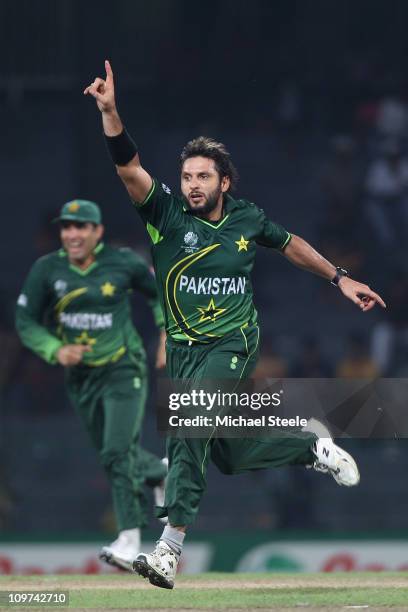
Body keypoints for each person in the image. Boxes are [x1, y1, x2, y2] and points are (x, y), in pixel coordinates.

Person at [84, 60, 386, 589]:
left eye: (203, 176)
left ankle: (167, 551)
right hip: (183, 349)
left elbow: (290, 245)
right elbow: (128, 168)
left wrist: (338, 277)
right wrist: (111, 113)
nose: (193, 184)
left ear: (224, 181)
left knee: (188, 428)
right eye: (186, 176)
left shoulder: (247, 218)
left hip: (232, 341)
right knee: (226, 452)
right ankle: (309, 447)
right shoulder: (166, 216)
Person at [15, 199, 167, 572]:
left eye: (81, 227)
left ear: (97, 232)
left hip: (123, 368)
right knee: (112, 453)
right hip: (81, 377)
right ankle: (160, 474)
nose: (72, 234)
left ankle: (130, 539)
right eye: (67, 227)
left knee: (116, 452)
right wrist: (54, 348)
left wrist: (165, 332)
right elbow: (25, 320)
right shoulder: (46, 270)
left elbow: (159, 291)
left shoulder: (123, 262)